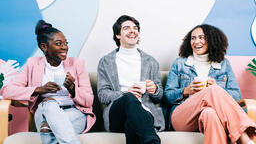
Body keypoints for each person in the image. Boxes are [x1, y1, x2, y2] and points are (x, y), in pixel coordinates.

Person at [2, 20, 96, 144]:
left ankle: (50, 127)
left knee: (47, 129)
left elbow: (89, 100)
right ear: (44, 46)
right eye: (58, 43)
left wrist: (73, 89)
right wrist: (39, 89)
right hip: (44, 111)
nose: (64, 47)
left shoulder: (77, 64)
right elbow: (7, 91)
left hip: (74, 113)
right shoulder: (33, 64)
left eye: (65, 43)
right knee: (49, 103)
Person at [164, 24, 256, 144]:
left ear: (212, 40)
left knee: (210, 112)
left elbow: (236, 96)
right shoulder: (180, 63)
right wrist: (186, 90)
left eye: (201, 37)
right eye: (193, 38)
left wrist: (216, 87)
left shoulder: (224, 64)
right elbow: (167, 96)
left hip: (208, 115)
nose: (196, 41)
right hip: (182, 117)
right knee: (213, 90)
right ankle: (244, 138)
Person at [97, 15, 165, 144]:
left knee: (132, 124)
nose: (132, 30)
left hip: (145, 112)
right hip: (117, 115)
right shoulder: (106, 62)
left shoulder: (151, 62)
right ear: (118, 35)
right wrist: (126, 93)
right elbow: (102, 95)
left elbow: (159, 96)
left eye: (135, 28)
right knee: (129, 97)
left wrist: (154, 90)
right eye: (126, 28)